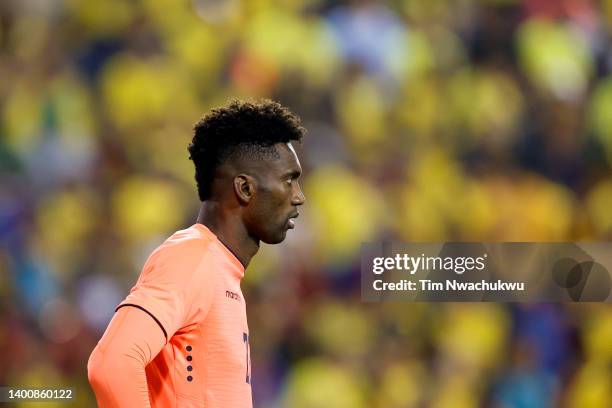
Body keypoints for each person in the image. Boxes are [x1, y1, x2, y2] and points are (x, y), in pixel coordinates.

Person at [87, 99, 306, 407]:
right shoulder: (191, 257)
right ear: (245, 188)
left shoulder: (221, 270)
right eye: (289, 180)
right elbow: (112, 363)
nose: (299, 197)